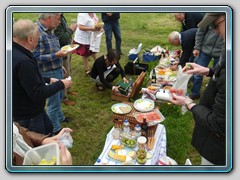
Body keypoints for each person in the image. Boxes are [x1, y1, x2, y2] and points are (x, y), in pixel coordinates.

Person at [170, 13, 226, 165]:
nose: (214, 31)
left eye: (215, 25)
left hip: (220, 146)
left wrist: (188, 103)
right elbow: (224, 73)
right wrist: (208, 71)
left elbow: (218, 123)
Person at [13, 19, 72, 135]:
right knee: (41, 141)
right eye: (37, 38)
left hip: (27, 110)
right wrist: (61, 84)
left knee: (48, 127)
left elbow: (25, 79)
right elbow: (38, 93)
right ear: (30, 39)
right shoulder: (24, 61)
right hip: (29, 115)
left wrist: (48, 79)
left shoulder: (14, 51)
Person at [33, 13, 72, 135]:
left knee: (59, 96)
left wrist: (60, 65)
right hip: (48, 72)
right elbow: (36, 58)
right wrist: (56, 56)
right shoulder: (37, 33)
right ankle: (55, 128)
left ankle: (60, 118)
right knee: (53, 102)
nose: (60, 22)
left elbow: (52, 48)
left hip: (56, 68)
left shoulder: (49, 29)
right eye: (58, 18)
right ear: (49, 18)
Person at [190, 15, 224, 100]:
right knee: (197, 73)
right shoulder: (210, 16)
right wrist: (197, 47)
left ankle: (213, 97)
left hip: (220, 52)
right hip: (205, 50)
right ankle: (195, 93)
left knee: (217, 77)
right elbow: (200, 32)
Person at [54, 13, 78, 106]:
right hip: (62, 52)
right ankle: (64, 98)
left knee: (68, 71)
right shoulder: (55, 18)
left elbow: (64, 32)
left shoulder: (61, 16)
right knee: (64, 74)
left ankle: (68, 90)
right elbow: (62, 38)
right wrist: (71, 30)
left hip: (67, 49)